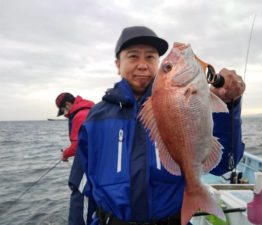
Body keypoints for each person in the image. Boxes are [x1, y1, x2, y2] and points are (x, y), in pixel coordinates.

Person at [77, 26, 246, 225]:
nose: (142, 65)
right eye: (133, 57)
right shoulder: (96, 118)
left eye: (150, 57)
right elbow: (80, 187)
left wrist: (229, 103)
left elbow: (225, 164)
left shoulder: (180, 98)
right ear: (117, 64)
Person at [55, 92, 95, 225]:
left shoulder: (80, 115)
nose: (65, 114)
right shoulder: (89, 110)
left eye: (62, 110)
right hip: (95, 161)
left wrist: (65, 154)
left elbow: (78, 144)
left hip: (87, 162)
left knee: (79, 191)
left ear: (67, 105)